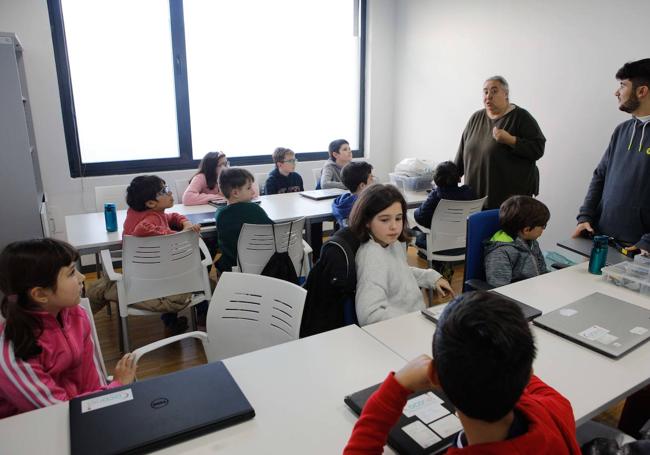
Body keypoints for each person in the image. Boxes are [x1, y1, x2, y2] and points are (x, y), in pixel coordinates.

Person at [344, 291, 581, 454]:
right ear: (528, 371)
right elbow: (529, 381)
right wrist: (509, 355)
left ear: (435, 376)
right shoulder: (556, 410)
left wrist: (396, 387)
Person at [0, 238, 137, 418]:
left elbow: (92, 379)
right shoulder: (12, 351)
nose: (81, 278)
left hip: (79, 413)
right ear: (40, 294)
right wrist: (117, 386)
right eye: (72, 272)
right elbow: (58, 412)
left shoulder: (77, 314)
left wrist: (108, 399)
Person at [87, 175, 202, 334]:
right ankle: (112, 292)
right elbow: (142, 229)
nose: (170, 193)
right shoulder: (150, 219)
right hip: (158, 278)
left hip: (142, 275)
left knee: (99, 288)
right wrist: (173, 234)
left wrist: (185, 223)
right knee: (196, 281)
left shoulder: (142, 212)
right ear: (150, 203)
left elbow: (172, 216)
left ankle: (104, 295)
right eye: (165, 191)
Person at [573, 59, 650, 255]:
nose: (617, 92)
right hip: (601, 239)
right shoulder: (622, 130)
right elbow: (600, 175)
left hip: (639, 249)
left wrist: (647, 243)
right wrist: (585, 217)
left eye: (623, 85)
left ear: (642, 91)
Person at [349, 184, 454, 326]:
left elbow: (399, 272)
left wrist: (432, 277)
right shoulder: (371, 257)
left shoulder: (392, 243)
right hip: (401, 328)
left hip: (414, 320)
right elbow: (370, 315)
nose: (394, 226)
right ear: (367, 221)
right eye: (384, 220)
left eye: (398, 218)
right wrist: (414, 321)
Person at [454, 76, 546, 209]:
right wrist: (451, 177)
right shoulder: (476, 118)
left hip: (508, 203)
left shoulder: (521, 117)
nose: (489, 96)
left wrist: (511, 140)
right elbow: (463, 151)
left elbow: (538, 148)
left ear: (506, 94)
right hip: (475, 199)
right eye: (485, 92)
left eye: (494, 91)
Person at [413, 161, 476, 281]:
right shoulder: (469, 193)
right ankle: (441, 269)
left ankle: (429, 274)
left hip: (438, 244)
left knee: (414, 231)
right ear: (458, 178)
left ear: (436, 179)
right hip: (462, 244)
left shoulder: (436, 196)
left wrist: (418, 210)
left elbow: (420, 217)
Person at [215, 168, 273, 274]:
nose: (253, 191)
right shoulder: (255, 209)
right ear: (236, 193)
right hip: (262, 265)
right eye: (249, 188)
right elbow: (274, 229)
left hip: (234, 268)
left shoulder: (220, 214)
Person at [484, 195, 549, 288]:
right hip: (516, 297)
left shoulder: (532, 242)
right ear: (526, 230)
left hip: (535, 289)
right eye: (543, 226)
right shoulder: (500, 252)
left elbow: (542, 271)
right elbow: (500, 290)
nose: (543, 229)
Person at [331, 161, 374, 227]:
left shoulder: (341, 202)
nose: (373, 181)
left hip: (347, 236)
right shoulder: (364, 206)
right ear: (362, 185)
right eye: (371, 178)